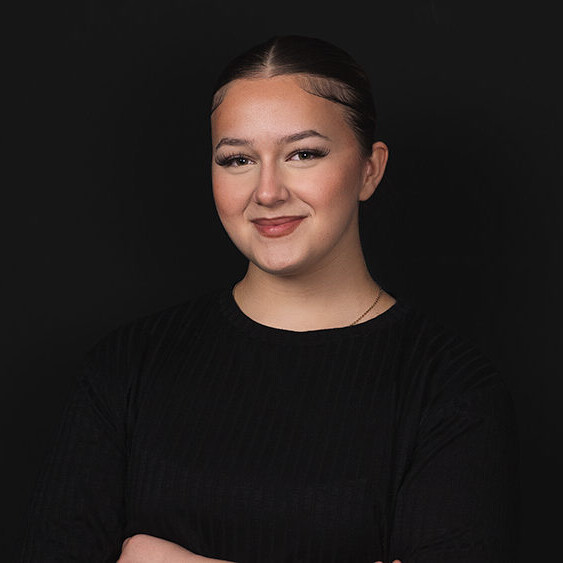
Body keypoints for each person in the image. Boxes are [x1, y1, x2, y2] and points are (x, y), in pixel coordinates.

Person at [21, 35, 519, 563]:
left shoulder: (451, 387)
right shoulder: (127, 365)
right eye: (237, 159)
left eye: (303, 154)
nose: (267, 192)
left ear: (369, 170)